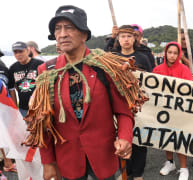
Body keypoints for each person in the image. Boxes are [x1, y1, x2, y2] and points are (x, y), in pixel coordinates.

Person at [38, 5, 134, 180]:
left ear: (84, 34)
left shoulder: (105, 66)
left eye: (69, 27)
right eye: (57, 29)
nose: (62, 34)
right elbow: (43, 122)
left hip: (103, 156)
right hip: (68, 160)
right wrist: (48, 162)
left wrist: (125, 137)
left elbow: (123, 112)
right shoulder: (47, 71)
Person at [113, 25, 151, 180]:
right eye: (122, 36)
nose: (126, 39)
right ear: (118, 39)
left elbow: (152, 80)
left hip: (139, 105)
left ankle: (138, 174)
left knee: (140, 142)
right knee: (121, 139)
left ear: (135, 38)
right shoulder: (113, 57)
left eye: (129, 36)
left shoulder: (142, 58)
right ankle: (126, 171)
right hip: (119, 104)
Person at [153, 42, 193, 180]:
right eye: (169, 52)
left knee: (180, 138)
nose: (172, 55)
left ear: (179, 54)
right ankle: (170, 162)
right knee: (166, 137)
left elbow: (190, 91)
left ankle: (183, 168)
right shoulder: (157, 69)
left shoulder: (184, 70)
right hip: (163, 110)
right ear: (165, 53)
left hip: (179, 111)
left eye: (175, 53)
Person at [8, 41, 43, 117]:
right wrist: (14, 110)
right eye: (15, 52)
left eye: (21, 51)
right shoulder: (12, 68)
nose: (18, 54)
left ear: (27, 51)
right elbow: (12, 89)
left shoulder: (39, 64)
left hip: (39, 107)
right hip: (23, 108)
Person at [0, 58, 17, 173]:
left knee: (7, 135)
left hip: (6, 107)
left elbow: (12, 90)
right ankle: (6, 163)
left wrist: (14, 109)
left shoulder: (5, 70)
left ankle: (10, 162)